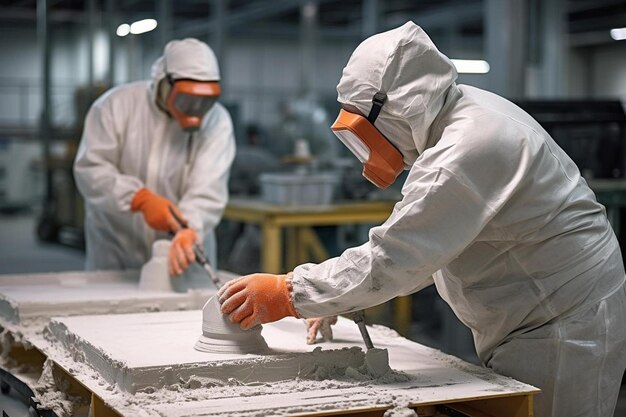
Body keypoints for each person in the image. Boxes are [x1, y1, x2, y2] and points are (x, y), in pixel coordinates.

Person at [217, 22, 626, 417]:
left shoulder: (466, 148)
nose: (365, 150)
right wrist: (337, 293)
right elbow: (429, 243)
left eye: (365, 132)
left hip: (565, 322)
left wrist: (291, 292)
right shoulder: (458, 117)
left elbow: (398, 256)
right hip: (537, 307)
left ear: (397, 106)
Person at [74, 38, 236, 277]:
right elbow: (91, 169)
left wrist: (189, 227)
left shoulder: (217, 121)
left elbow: (208, 190)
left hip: (181, 261)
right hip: (116, 253)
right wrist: (138, 198)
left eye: (206, 101)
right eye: (187, 99)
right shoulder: (114, 106)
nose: (196, 109)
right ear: (163, 81)